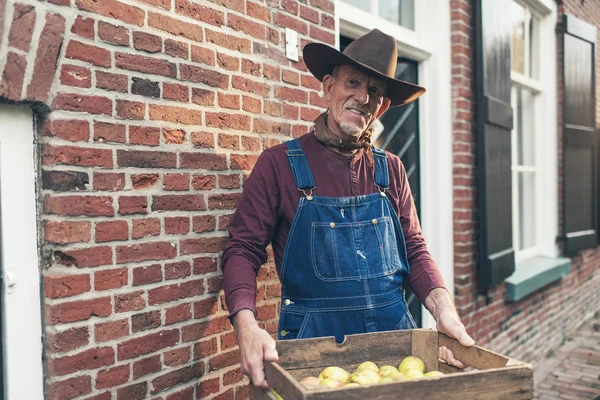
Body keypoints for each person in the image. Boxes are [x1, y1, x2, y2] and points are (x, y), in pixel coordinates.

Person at [222, 29, 474, 389]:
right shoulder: (278, 164)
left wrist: (444, 311)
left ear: (383, 106)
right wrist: (246, 327)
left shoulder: (392, 169)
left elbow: (414, 249)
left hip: (396, 351)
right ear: (328, 87)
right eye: (352, 83)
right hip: (314, 354)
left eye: (374, 91)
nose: (362, 97)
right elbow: (241, 250)